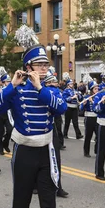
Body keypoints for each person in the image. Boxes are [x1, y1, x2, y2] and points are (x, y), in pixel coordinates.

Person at [0, 26, 69, 208]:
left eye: (46, 64)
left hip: (45, 152)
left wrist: (40, 88)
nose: (45, 68)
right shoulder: (16, 91)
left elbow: (61, 109)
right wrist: (12, 85)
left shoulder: (50, 90)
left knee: (49, 203)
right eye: (39, 64)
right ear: (28, 67)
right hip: (23, 152)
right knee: (21, 200)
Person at [44, 70, 69, 198]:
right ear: (47, 83)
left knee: (55, 158)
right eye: (53, 81)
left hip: (50, 126)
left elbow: (62, 107)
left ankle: (57, 186)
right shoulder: (42, 90)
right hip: (37, 128)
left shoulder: (55, 92)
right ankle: (35, 185)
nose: (56, 83)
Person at [0, 67, 13, 155]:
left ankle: (5, 143)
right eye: (7, 82)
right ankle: (0, 148)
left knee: (10, 130)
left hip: (8, 113)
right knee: (0, 132)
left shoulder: (10, 89)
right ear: (2, 82)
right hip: (0, 113)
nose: (8, 83)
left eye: (9, 81)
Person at [80, 74, 99, 157]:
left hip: (97, 118)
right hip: (89, 118)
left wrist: (93, 101)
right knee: (88, 136)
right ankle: (86, 151)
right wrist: (84, 104)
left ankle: (96, 150)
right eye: (95, 89)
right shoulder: (87, 97)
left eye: (97, 88)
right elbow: (80, 108)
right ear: (91, 90)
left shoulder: (98, 97)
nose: (97, 90)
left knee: (99, 136)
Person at [62, 73, 83, 140]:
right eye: (70, 84)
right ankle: (65, 134)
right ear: (68, 85)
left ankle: (78, 134)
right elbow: (65, 99)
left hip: (74, 108)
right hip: (68, 108)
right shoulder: (65, 91)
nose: (72, 85)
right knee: (67, 122)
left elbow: (80, 99)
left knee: (75, 122)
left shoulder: (75, 90)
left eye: (72, 84)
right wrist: (72, 97)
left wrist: (79, 95)